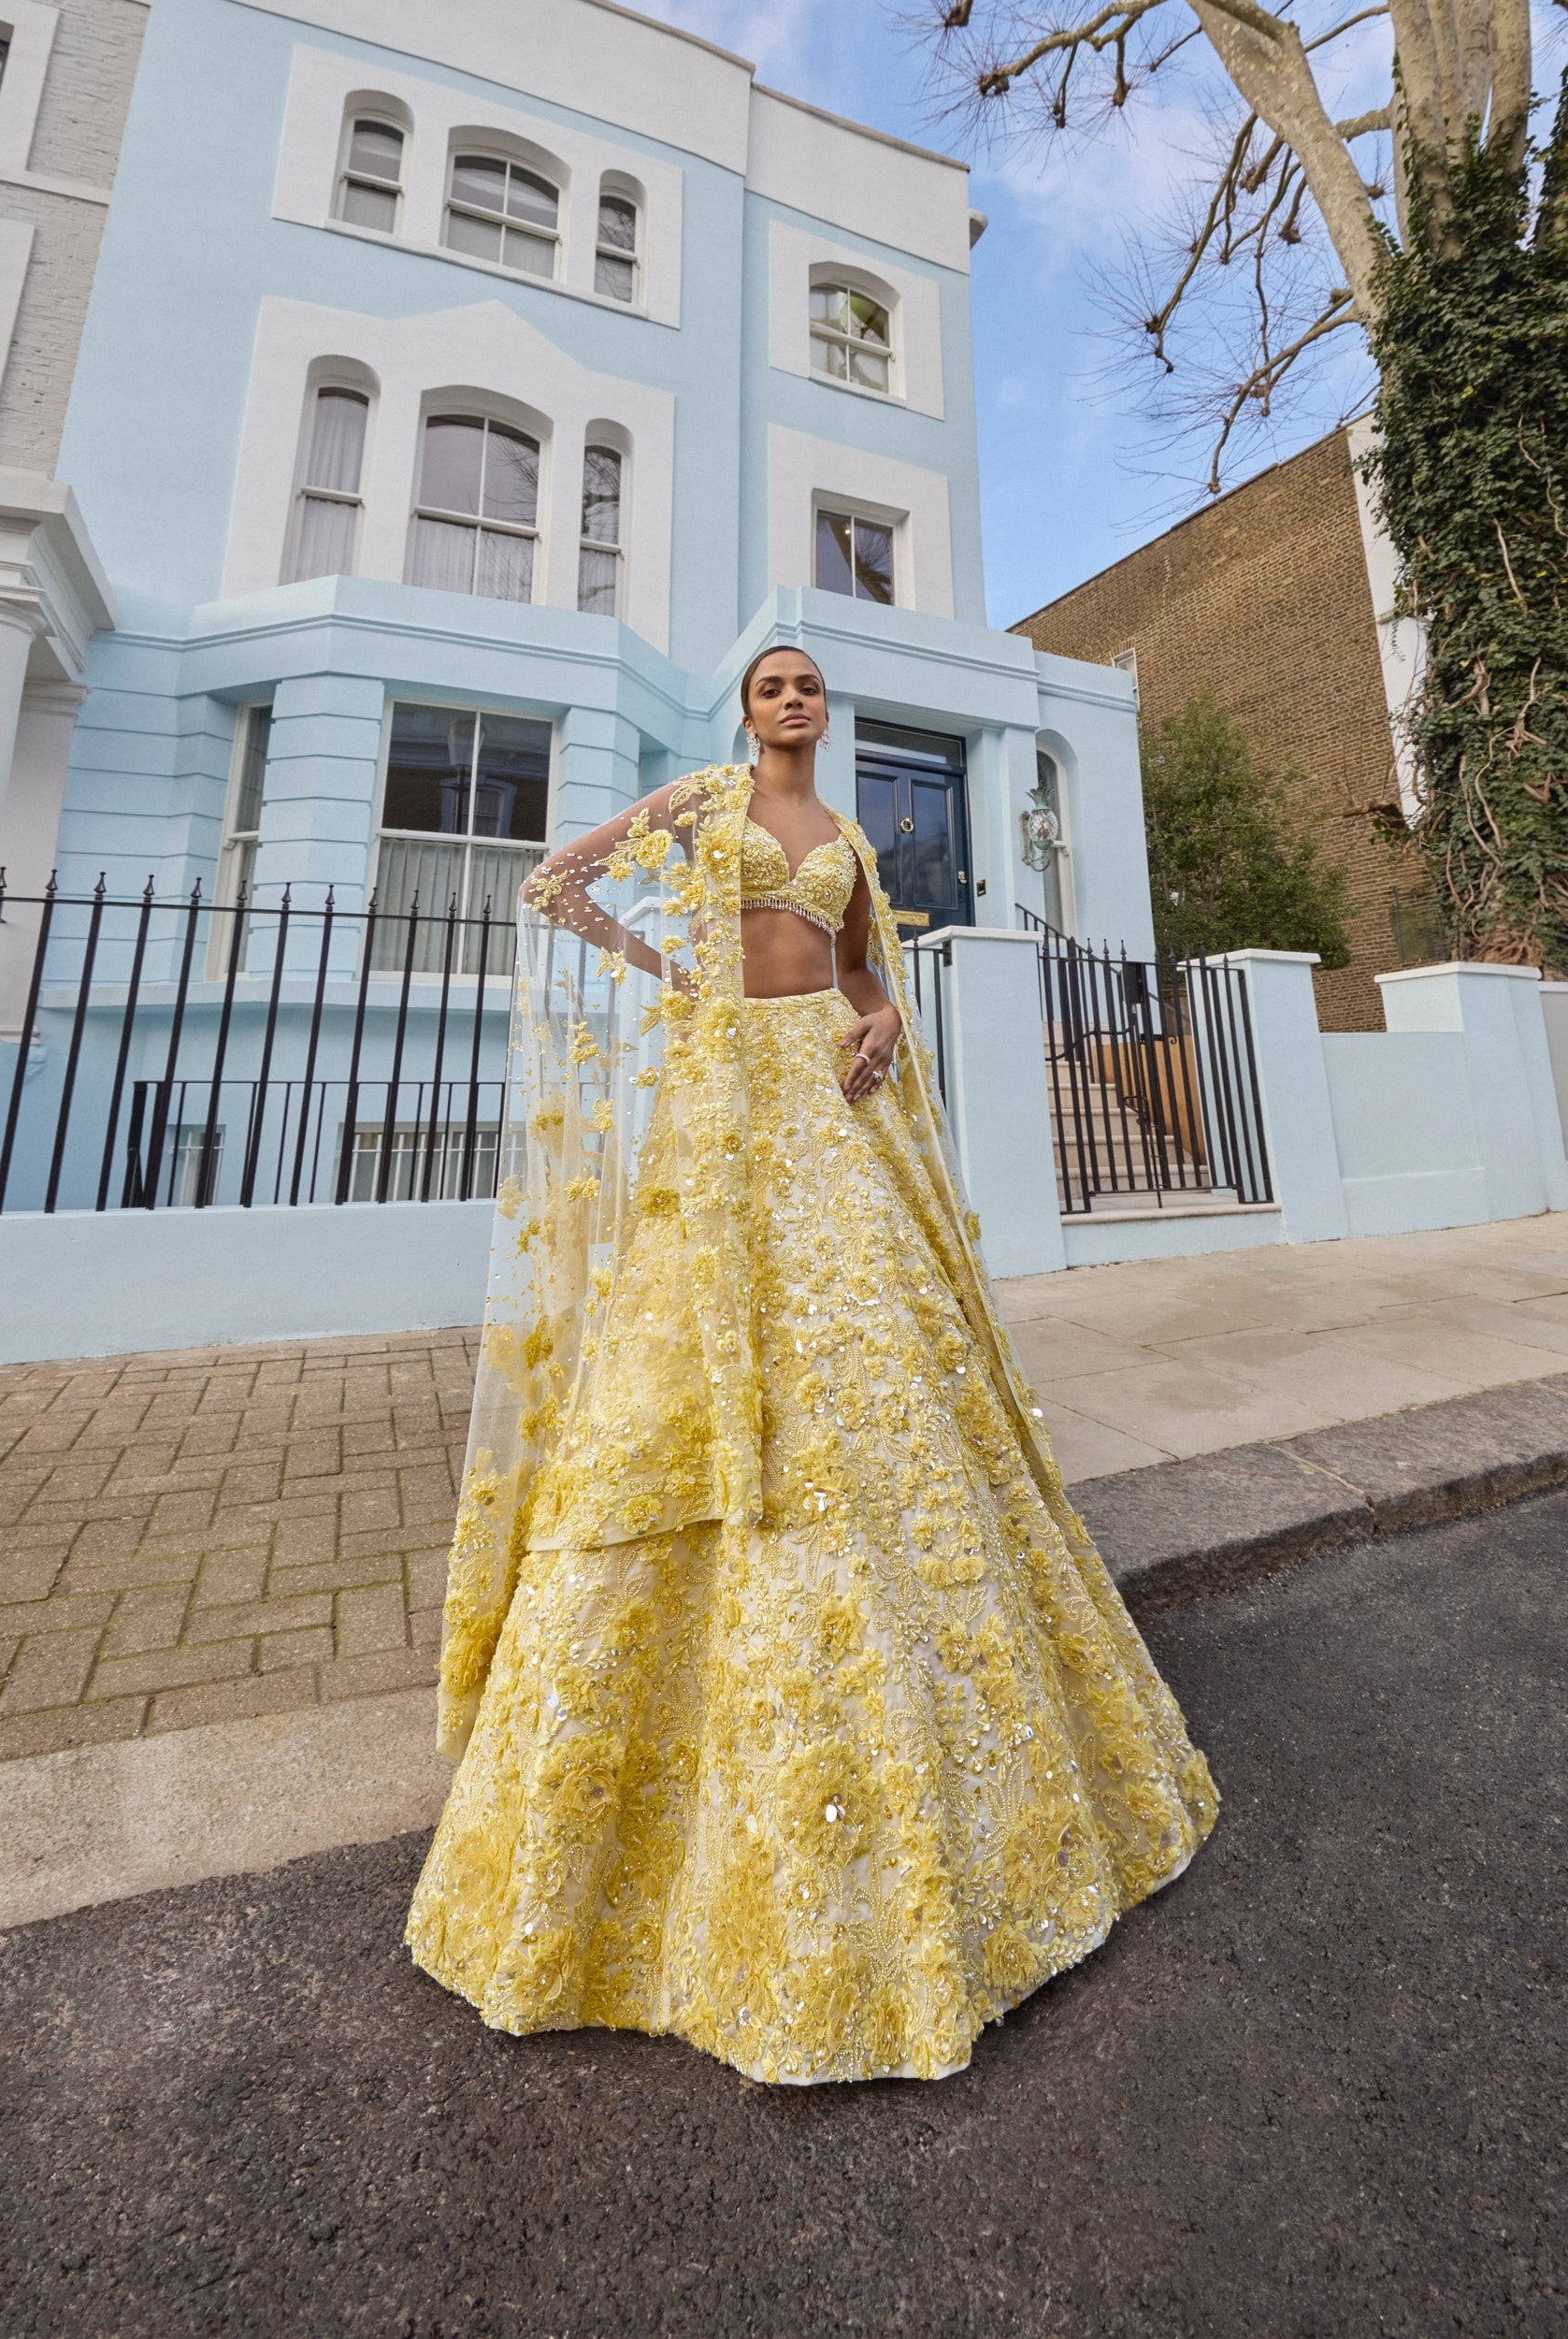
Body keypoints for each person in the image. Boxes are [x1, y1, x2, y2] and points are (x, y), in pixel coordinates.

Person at [405, 645, 1216, 2083]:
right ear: (744, 709)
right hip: (725, 1100)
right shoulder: (706, 798)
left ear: (823, 712)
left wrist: (887, 1014)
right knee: (695, 1372)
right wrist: (670, 973)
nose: (793, 698)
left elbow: (858, 968)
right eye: (774, 682)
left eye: (810, 685)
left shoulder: (845, 839)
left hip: (829, 1094)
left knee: (877, 1353)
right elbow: (554, 885)